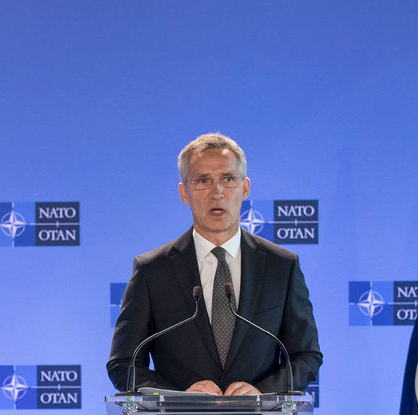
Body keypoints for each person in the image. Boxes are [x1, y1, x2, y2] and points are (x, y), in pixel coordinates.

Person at [107, 132, 322, 395]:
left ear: (245, 188)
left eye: (228, 179)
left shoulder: (281, 266)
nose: (216, 192)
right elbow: (123, 363)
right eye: (202, 181)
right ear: (183, 192)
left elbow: (306, 355)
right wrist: (179, 397)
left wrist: (261, 392)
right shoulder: (152, 270)